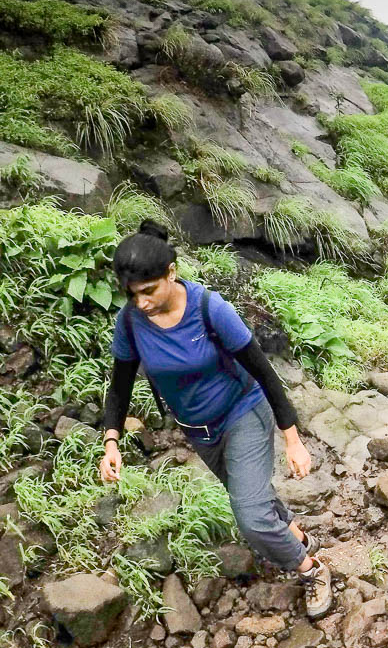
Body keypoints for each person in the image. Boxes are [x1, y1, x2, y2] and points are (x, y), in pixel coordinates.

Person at [99, 221, 333, 619]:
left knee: (250, 516)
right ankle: (295, 535)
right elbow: (119, 385)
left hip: (243, 413)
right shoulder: (130, 323)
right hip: (199, 431)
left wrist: (292, 438)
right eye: (132, 294)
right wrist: (112, 443)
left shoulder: (211, 310)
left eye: (149, 291)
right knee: (253, 496)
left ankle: (310, 569)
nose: (140, 302)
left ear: (171, 273)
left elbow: (263, 371)